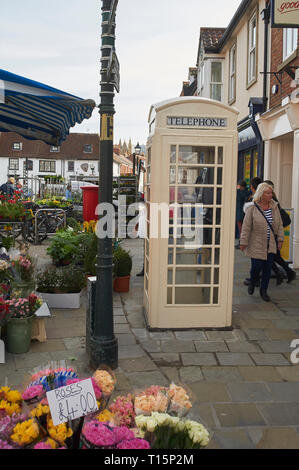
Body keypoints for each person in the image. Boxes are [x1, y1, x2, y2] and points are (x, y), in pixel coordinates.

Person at [240, 182, 284, 302]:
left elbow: (279, 225)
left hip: (271, 244)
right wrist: (243, 241)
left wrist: (280, 239)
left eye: (271, 193)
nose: (270, 195)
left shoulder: (274, 207)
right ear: (261, 193)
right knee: (256, 267)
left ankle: (263, 291)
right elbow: (246, 226)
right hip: (256, 243)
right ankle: (253, 281)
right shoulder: (252, 208)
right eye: (268, 193)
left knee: (267, 269)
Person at [263, 180, 296, 284]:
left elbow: (276, 220)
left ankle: (282, 273)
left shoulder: (271, 199)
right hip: (271, 233)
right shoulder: (271, 197)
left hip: (273, 233)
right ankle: (284, 273)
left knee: (271, 256)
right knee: (273, 257)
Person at [235, 180, 250, 249]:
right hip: (246, 214)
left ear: (241, 186)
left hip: (239, 214)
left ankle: (241, 243)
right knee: (245, 230)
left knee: (241, 230)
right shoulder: (249, 193)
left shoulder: (238, 193)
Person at [135, 194, 146, 277]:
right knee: (145, 251)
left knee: (146, 251)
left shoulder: (145, 209)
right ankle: (144, 268)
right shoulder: (143, 209)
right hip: (145, 232)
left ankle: (144, 269)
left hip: (148, 232)